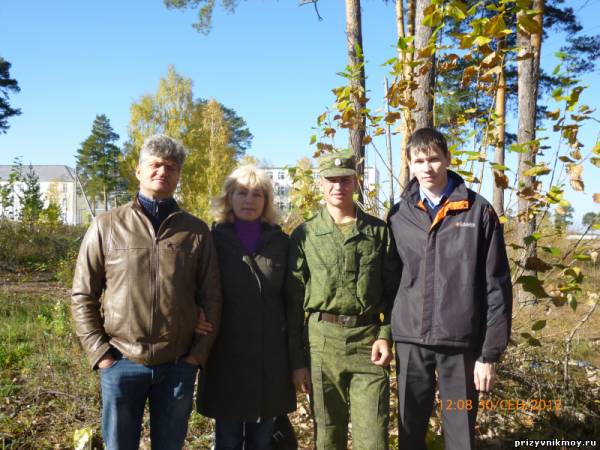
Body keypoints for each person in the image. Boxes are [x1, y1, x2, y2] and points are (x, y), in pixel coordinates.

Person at [71, 134, 223, 450]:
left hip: (177, 365)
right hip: (121, 362)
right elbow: (83, 295)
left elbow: (212, 296)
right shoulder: (106, 226)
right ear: (138, 170)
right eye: (155, 164)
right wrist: (101, 355)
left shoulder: (195, 231)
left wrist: (196, 356)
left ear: (178, 175)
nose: (162, 171)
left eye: (171, 167)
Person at [387, 127, 513, 450]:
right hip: (411, 342)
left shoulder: (479, 210)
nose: (427, 167)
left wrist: (488, 354)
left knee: (461, 437)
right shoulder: (399, 214)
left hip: (460, 346)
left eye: (433, 159)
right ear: (409, 164)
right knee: (409, 434)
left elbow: (497, 286)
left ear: (447, 159)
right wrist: (384, 334)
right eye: (419, 161)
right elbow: (389, 281)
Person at [286, 149, 400, 450]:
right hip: (322, 343)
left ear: (355, 182)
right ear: (320, 184)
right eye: (331, 180)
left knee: (374, 437)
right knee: (327, 435)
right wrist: (298, 362)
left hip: (368, 342)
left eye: (345, 180)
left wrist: (386, 335)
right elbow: (292, 304)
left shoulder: (378, 232)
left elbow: (394, 291)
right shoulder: (305, 234)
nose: (338, 186)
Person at [197, 164, 296, 450]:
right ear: (229, 198)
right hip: (225, 358)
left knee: (261, 441)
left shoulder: (281, 242)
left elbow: (292, 299)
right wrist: (194, 314)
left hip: (270, 361)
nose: (249, 200)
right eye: (242, 193)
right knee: (227, 440)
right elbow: (195, 287)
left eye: (257, 194)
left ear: (266, 201)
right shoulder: (212, 240)